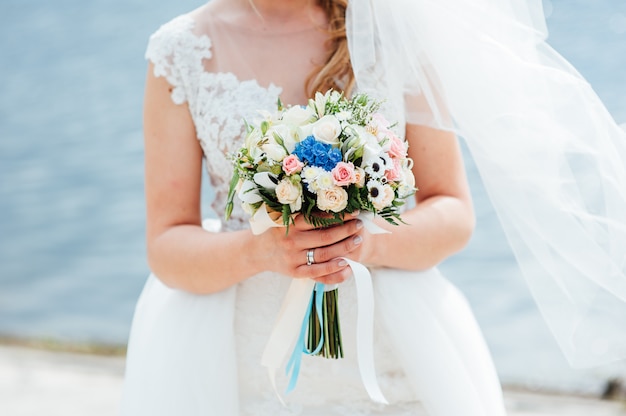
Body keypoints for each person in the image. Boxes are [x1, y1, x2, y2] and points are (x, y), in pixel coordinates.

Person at [121, 0, 626, 415]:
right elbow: (167, 242)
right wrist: (264, 252)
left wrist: (363, 240)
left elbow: (451, 210)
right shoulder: (181, 50)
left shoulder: (393, 34)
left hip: (395, 343)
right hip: (239, 358)